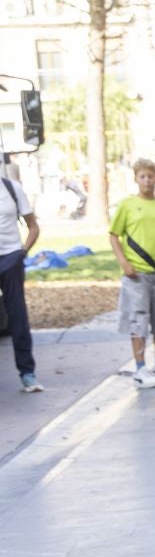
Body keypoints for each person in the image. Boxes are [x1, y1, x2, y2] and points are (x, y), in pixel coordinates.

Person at [109, 158, 155, 388]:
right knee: (138, 317)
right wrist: (124, 262)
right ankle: (140, 366)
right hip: (136, 272)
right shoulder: (128, 205)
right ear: (136, 179)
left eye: (150, 176)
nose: (147, 181)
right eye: (142, 176)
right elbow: (114, 235)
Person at [0, 162, 41, 391]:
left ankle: (27, 373)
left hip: (10, 257)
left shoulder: (12, 189)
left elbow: (33, 226)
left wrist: (22, 252)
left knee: (17, 316)